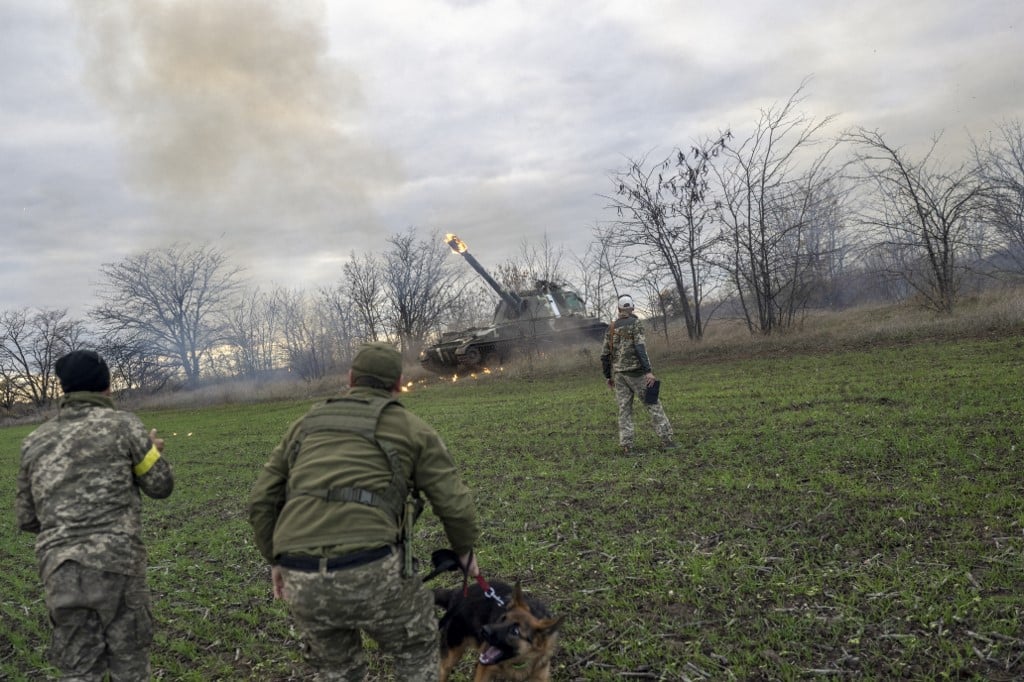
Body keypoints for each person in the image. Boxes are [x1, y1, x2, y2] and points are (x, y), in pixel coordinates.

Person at [248, 341, 480, 681]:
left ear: (351, 378)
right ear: (398, 384)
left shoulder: (306, 424)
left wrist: (277, 560)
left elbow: (261, 500)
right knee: (417, 651)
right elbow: (454, 504)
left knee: (336, 671)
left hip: (301, 574)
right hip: (371, 568)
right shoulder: (412, 428)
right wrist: (465, 552)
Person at [15, 349, 175, 681]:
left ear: (65, 389)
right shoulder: (123, 426)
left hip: (61, 572)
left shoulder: (34, 442)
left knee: (78, 672)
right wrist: (151, 455)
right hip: (118, 567)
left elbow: (27, 518)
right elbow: (160, 486)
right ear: (107, 386)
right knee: (129, 667)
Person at [600, 294, 678, 455]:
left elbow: (605, 355)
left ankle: (627, 446)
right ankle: (667, 440)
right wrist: (648, 371)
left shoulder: (611, 327)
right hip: (636, 373)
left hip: (619, 375)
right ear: (632, 308)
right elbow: (640, 348)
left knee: (624, 410)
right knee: (653, 403)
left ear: (619, 309)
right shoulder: (636, 324)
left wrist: (608, 376)